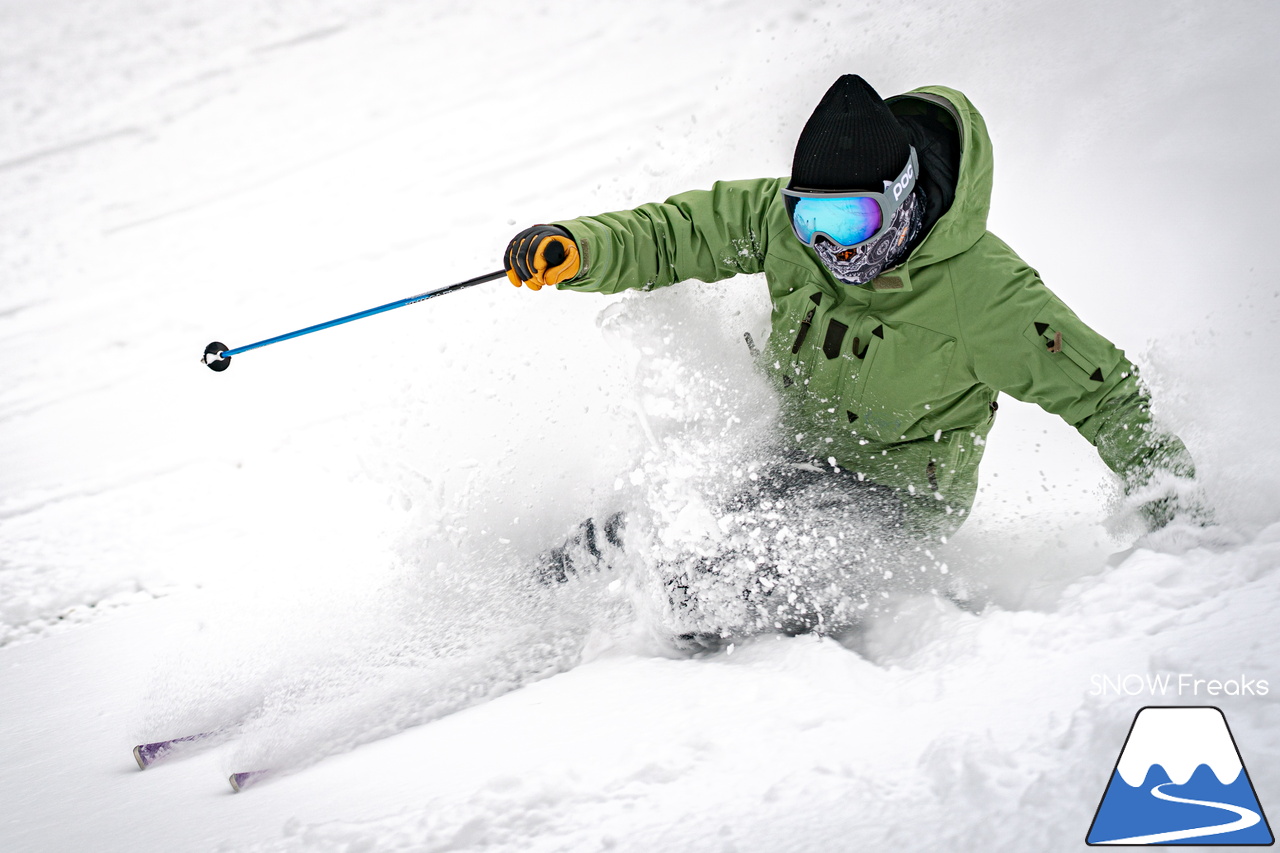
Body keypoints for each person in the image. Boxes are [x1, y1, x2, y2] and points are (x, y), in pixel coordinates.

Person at [503, 75, 1198, 638]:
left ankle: (680, 685)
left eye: (851, 221)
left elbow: (1105, 393)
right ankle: (525, 614)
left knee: (708, 582)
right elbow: (676, 233)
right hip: (784, 457)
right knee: (631, 528)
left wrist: (1177, 511)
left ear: (900, 198)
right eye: (812, 220)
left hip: (893, 502)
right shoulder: (788, 232)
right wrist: (579, 248)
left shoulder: (985, 294)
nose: (831, 248)